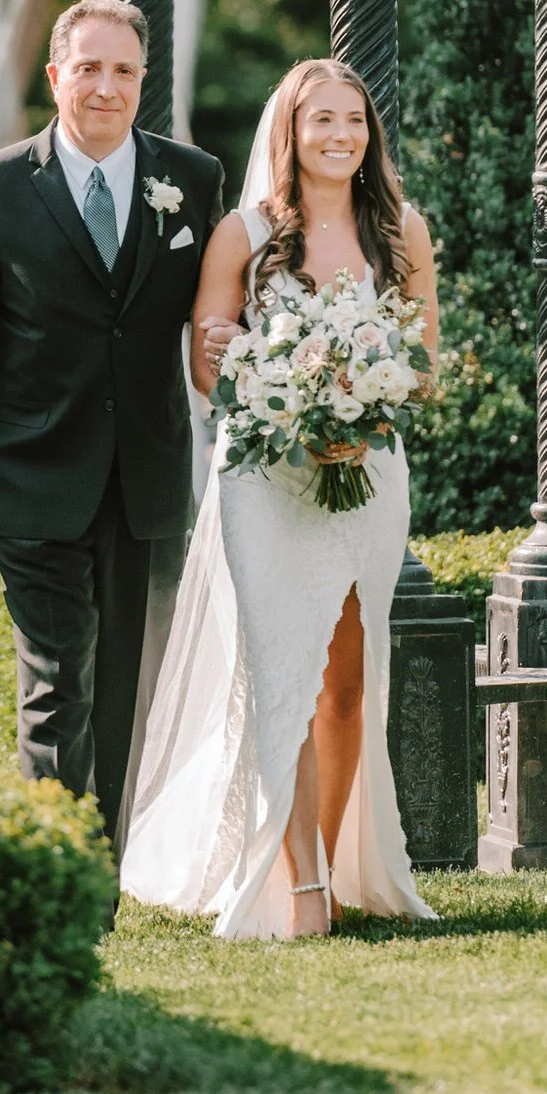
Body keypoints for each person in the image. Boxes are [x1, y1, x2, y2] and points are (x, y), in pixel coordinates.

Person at [121, 57, 440, 939]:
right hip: (265, 478)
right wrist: (281, 394)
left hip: (365, 472)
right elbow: (203, 364)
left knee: (344, 681)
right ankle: (295, 879)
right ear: (289, 134)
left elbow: (423, 367)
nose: (339, 136)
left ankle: (332, 864)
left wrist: (367, 400)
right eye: (320, 121)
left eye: (353, 121)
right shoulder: (245, 234)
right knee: (282, 676)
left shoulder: (400, 232)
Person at [0, 0, 224, 854]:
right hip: (31, 475)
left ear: (142, 81)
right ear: (55, 77)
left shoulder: (192, 180)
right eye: (87, 67)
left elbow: (217, 309)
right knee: (55, 685)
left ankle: (109, 865)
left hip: (147, 477)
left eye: (122, 70)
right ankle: (59, 862)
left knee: (127, 688)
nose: (105, 86)